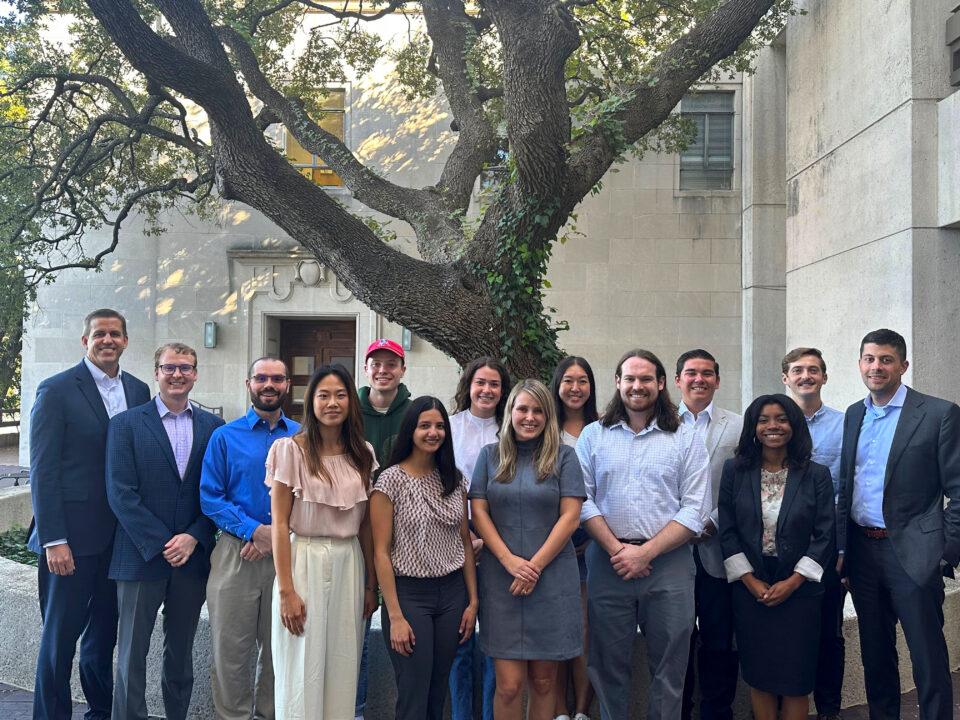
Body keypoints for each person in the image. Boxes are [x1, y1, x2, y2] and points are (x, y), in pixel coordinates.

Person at [28, 309, 150, 720]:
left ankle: (101, 712)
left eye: (115, 333)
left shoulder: (138, 389)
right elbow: (44, 471)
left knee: (102, 637)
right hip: (71, 541)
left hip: (119, 540)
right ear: (85, 341)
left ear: (126, 341)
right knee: (59, 641)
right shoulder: (57, 390)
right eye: (99, 334)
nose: (107, 340)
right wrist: (54, 539)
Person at [576, 348, 710, 720]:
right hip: (608, 562)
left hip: (669, 565)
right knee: (606, 665)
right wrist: (619, 550)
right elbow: (582, 501)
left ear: (662, 383)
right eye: (630, 379)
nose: (638, 386)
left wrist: (645, 552)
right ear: (618, 383)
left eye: (646, 379)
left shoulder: (685, 437)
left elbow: (695, 508)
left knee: (670, 669)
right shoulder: (593, 436)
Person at [837, 329, 960, 720]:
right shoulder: (854, 413)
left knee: (927, 654)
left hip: (914, 555)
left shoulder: (939, 414)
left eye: (886, 359)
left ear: (903, 365)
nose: (877, 367)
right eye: (870, 359)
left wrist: (942, 554)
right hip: (862, 552)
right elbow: (847, 486)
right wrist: (843, 551)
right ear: (860, 364)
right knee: (875, 654)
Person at [106, 342, 224, 720]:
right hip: (140, 556)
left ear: (195, 374)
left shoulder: (213, 428)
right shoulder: (125, 424)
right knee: (131, 654)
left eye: (185, 368)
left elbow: (218, 492)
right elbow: (120, 493)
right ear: (156, 373)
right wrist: (161, 543)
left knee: (180, 654)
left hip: (191, 559)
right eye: (169, 367)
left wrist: (194, 536)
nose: (178, 374)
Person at [266, 363, 379, 720]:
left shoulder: (363, 453)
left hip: (350, 564)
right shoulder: (290, 451)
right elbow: (280, 524)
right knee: (301, 664)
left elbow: (365, 526)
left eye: (341, 395)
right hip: (304, 561)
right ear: (310, 400)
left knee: (343, 666)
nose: (333, 403)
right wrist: (287, 591)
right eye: (324, 395)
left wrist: (370, 586)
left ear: (351, 402)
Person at [470, 379, 586, 720]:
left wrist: (532, 566)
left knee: (545, 681)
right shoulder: (488, 456)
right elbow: (478, 511)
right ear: (510, 412)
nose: (530, 417)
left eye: (538, 410)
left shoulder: (565, 457)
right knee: (508, 685)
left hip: (551, 580)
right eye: (522, 409)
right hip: (502, 581)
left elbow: (571, 517)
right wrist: (510, 562)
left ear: (548, 416)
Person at [718, 394, 835, 720]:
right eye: (764, 419)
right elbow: (727, 531)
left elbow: (826, 536)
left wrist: (794, 581)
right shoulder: (735, 472)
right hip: (751, 588)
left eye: (781, 419)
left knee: (796, 681)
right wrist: (750, 580)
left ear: (794, 425)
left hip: (800, 592)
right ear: (753, 428)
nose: (773, 426)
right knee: (760, 676)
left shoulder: (816, 475)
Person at [199, 357, 300, 720]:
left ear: (287, 385)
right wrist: (255, 531)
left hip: (289, 555)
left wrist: (278, 535)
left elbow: (313, 496)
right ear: (248, 384)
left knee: (282, 650)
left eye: (276, 378)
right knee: (231, 651)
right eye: (261, 378)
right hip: (234, 554)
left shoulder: (303, 436)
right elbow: (211, 496)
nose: (268, 384)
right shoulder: (224, 436)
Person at [370, 396, 479, 720]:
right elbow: (380, 552)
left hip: (451, 594)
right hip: (409, 595)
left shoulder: (455, 479)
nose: (433, 432)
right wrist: (396, 616)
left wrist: (472, 603)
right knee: (414, 691)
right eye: (425, 425)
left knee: (437, 688)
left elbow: (464, 542)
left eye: (440, 426)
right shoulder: (390, 481)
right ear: (411, 430)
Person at [674, 349, 742, 720]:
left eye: (707, 373)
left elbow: (745, 483)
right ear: (677, 380)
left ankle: (717, 711)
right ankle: (678, 711)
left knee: (720, 640)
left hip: (718, 550)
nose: (699, 379)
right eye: (691, 373)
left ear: (717, 379)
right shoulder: (661, 423)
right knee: (677, 638)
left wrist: (714, 519)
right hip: (673, 550)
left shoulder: (738, 425)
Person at [781, 347, 845, 720]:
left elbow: (847, 488)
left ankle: (829, 710)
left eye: (814, 370)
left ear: (824, 376)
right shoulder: (771, 423)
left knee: (829, 633)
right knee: (785, 632)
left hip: (828, 546)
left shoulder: (846, 424)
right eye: (798, 370)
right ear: (786, 378)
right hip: (778, 548)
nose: (806, 376)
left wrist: (842, 549)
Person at [448, 356, 512, 720]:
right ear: (468, 386)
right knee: (460, 640)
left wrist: (488, 541)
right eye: (480, 383)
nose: (487, 390)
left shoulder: (512, 430)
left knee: (493, 642)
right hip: (454, 547)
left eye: (494, 385)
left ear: (503, 392)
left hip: (500, 547)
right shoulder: (450, 426)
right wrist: (463, 538)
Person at [357, 337, 412, 720]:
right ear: (366, 368)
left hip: (403, 537)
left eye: (391, 364)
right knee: (355, 637)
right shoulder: (349, 412)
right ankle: (356, 710)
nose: (383, 370)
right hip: (356, 532)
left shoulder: (413, 413)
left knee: (404, 632)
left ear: (402, 370)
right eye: (376, 363)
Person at [549, 356, 599, 720]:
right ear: (557, 385)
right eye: (569, 380)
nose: (576, 388)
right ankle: (559, 710)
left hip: (593, 541)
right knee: (556, 626)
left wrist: (593, 536)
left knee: (584, 630)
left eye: (583, 381)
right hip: (549, 543)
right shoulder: (543, 428)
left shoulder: (604, 429)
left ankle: (582, 710)